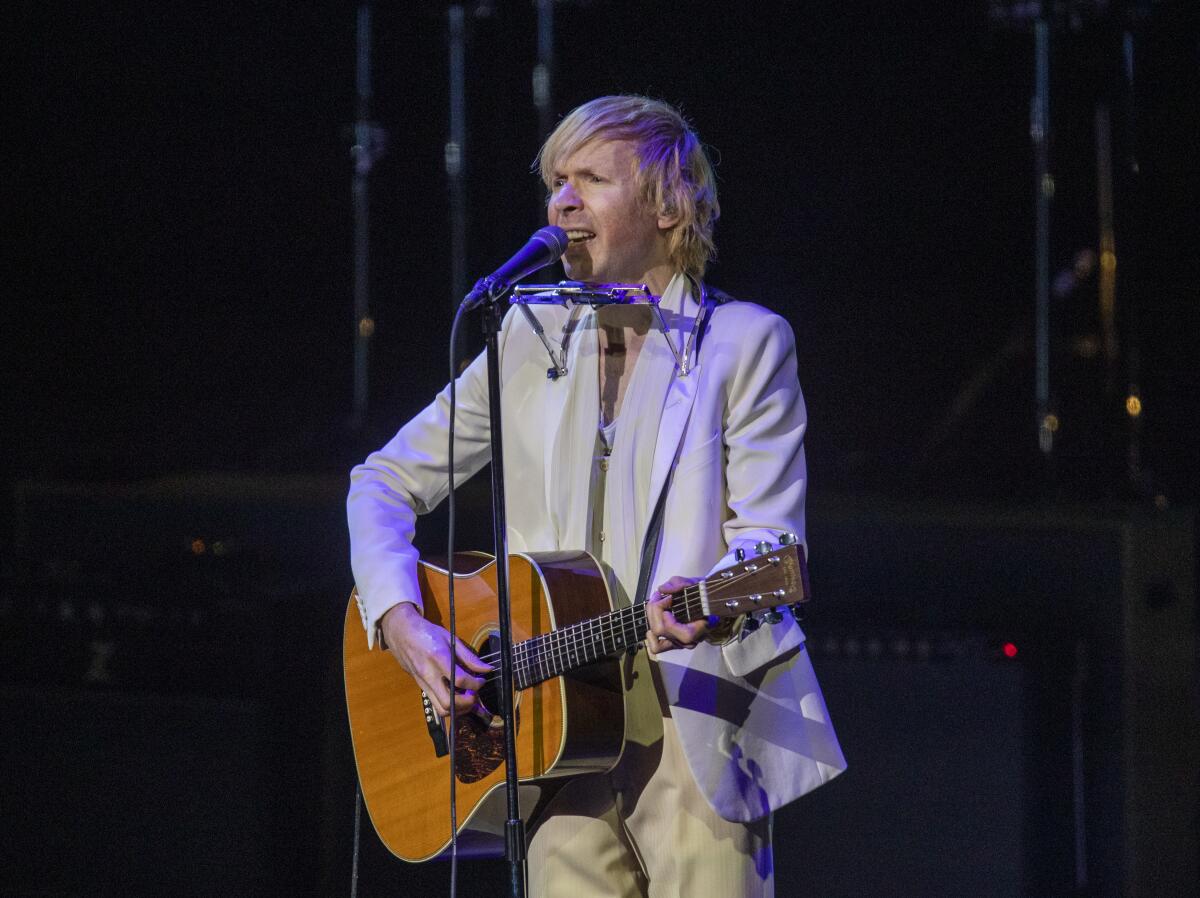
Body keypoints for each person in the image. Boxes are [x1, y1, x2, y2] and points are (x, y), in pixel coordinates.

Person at [347, 94, 845, 897]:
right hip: (553, 736)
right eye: (555, 181)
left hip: (697, 728)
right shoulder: (526, 338)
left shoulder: (745, 343)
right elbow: (380, 482)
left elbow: (771, 547)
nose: (562, 201)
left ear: (668, 206)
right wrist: (403, 622)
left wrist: (711, 597)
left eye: (591, 179)